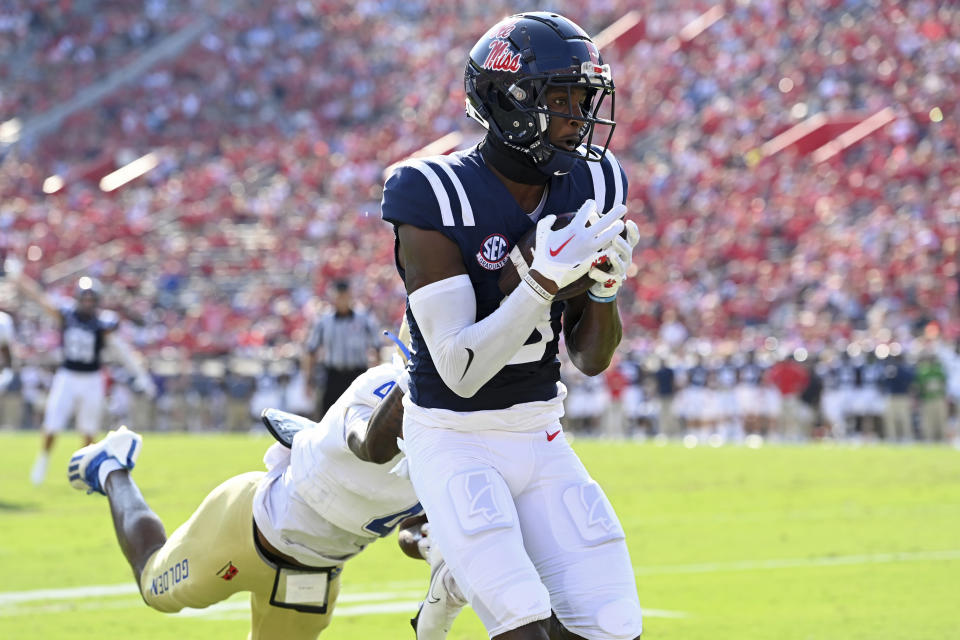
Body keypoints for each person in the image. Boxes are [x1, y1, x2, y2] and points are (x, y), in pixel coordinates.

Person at [381, 12, 642, 640]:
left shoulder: (594, 180)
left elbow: (590, 357)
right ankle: (453, 569)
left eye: (585, 98)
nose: (579, 117)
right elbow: (460, 371)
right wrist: (537, 286)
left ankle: (451, 577)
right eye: (561, 98)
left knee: (613, 625)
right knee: (525, 626)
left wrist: (603, 291)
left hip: (539, 432)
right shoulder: (432, 190)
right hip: (452, 436)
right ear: (510, 101)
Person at [67, 355, 424, 639]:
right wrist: (422, 383)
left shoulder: (470, 445)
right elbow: (373, 445)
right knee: (152, 584)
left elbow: (413, 528)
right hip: (246, 533)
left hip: (316, 575)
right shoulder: (386, 385)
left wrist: (430, 543)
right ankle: (110, 466)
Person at [5, 258, 156, 485]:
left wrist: (140, 374)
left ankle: (84, 470)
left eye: (90, 299)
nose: (87, 303)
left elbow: (122, 350)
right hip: (67, 376)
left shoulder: (102, 323)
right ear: (77, 298)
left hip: (92, 378)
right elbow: (39, 298)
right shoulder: (67, 315)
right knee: (53, 422)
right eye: (84, 298)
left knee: (88, 429)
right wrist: (18, 278)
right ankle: (43, 460)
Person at [302, 280, 382, 417]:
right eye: (339, 297)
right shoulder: (323, 321)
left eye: (345, 296)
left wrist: (376, 376)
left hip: (357, 374)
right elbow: (311, 350)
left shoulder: (364, 319)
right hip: (333, 374)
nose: (342, 301)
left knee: (360, 415)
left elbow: (376, 347)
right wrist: (309, 380)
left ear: (350, 296)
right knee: (327, 415)